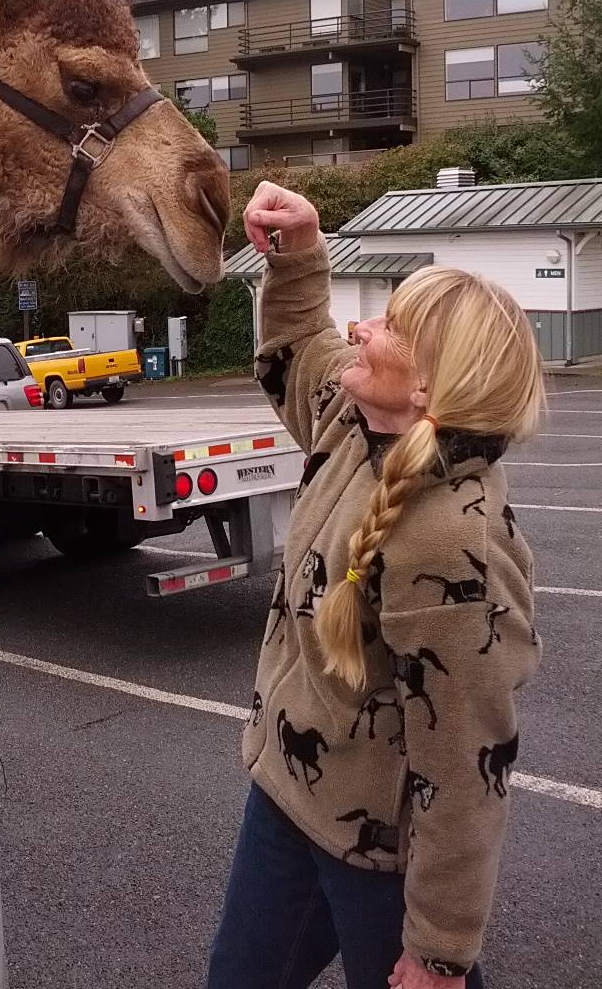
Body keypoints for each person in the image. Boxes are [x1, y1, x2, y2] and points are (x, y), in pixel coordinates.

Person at [206, 183, 543, 989]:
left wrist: (438, 950)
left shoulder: (453, 542)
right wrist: (300, 249)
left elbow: (467, 766)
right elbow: (298, 347)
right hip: (289, 803)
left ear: (428, 389)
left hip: (380, 854)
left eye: (389, 325)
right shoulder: (354, 424)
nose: (364, 325)